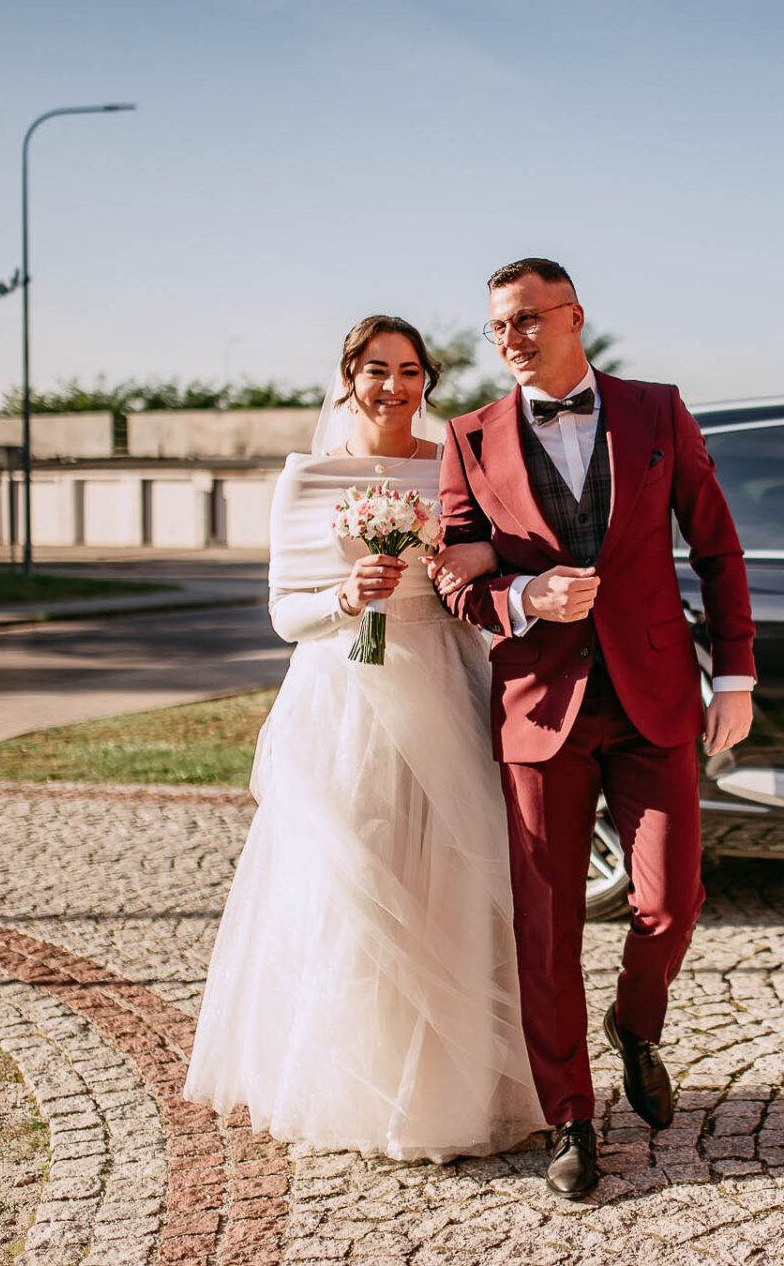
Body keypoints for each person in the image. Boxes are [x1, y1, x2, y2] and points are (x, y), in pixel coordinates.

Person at [183, 316, 547, 1164]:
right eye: (377, 369)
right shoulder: (307, 477)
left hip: (445, 680)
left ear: (428, 380)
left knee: (452, 877)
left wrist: (467, 574)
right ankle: (358, 1089)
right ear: (348, 376)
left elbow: (485, 567)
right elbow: (285, 615)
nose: (394, 386)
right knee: (357, 882)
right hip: (343, 696)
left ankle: (454, 1093)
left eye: (410, 370)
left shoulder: (454, 462)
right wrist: (346, 597)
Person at [434, 258, 756, 1199]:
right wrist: (523, 597)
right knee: (547, 926)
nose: (512, 339)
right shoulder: (469, 438)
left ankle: (635, 1025)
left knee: (671, 901)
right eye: (499, 326)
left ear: (574, 316)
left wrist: (735, 673)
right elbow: (456, 576)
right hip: (540, 708)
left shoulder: (657, 411)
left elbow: (717, 545)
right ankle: (570, 1117)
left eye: (528, 318)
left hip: (654, 695)